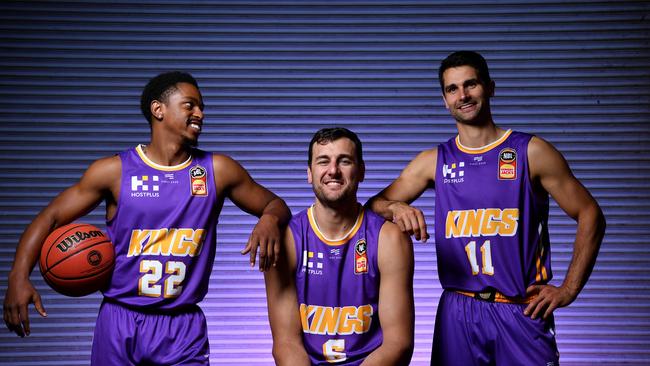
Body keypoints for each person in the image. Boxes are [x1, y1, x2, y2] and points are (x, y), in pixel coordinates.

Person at [3, 71, 291, 365]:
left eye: (201, 107)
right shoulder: (115, 171)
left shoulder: (218, 170)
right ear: (158, 109)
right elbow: (50, 216)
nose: (200, 114)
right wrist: (18, 276)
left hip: (182, 326)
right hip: (120, 319)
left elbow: (275, 204)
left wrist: (269, 219)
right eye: (190, 105)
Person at [368, 51, 606, 365]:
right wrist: (396, 208)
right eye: (452, 89)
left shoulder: (531, 151)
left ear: (490, 88)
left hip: (521, 308)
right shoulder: (433, 161)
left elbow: (590, 213)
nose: (462, 95)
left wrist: (568, 289)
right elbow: (373, 206)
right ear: (444, 99)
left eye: (471, 85)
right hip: (458, 309)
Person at [264, 127, 414, 365]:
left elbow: (398, 343)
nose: (333, 171)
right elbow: (286, 343)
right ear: (309, 173)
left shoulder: (389, 238)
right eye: (323, 161)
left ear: (361, 171)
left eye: (344, 161)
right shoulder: (287, 240)